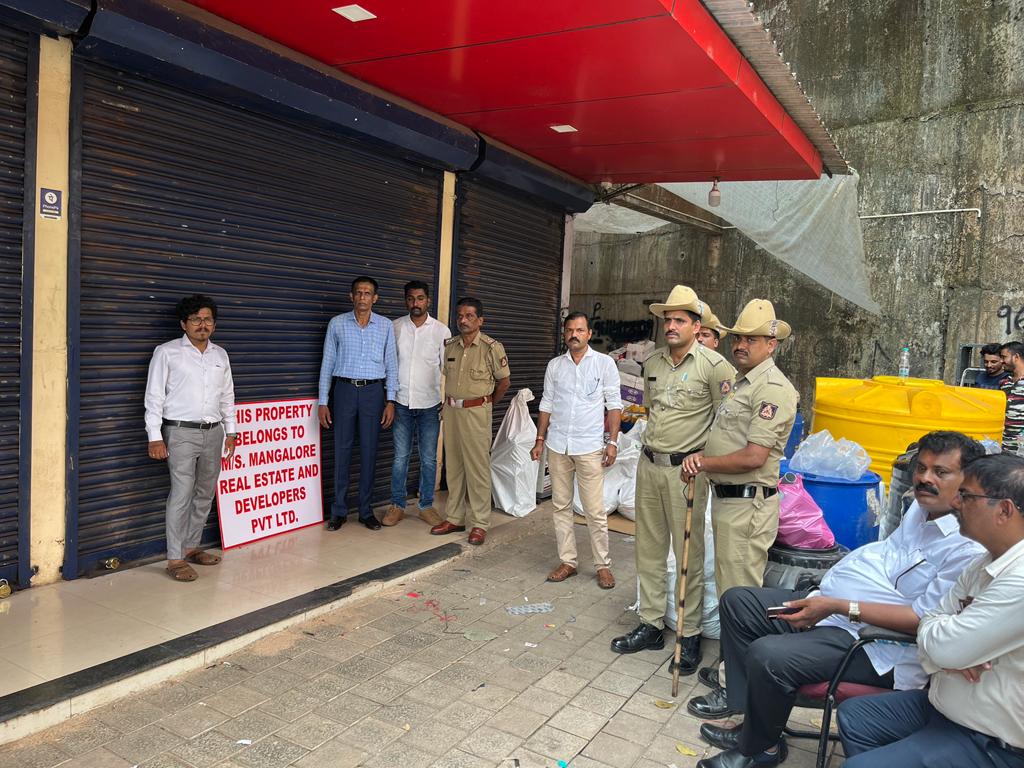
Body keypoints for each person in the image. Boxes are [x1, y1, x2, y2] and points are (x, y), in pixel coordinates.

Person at [689, 431, 987, 768]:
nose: (925, 478)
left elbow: (923, 620)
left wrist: (840, 605)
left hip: (880, 645)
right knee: (739, 603)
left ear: (968, 481)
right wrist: (835, 597)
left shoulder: (966, 546)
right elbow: (882, 564)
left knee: (768, 654)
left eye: (940, 472)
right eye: (921, 468)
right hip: (838, 612)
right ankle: (755, 726)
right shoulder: (920, 511)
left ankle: (760, 750)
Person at [836, 452, 1024, 768]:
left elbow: (945, 646)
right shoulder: (984, 562)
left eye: (967, 496)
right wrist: (950, 650)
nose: (956, 503)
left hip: (990, 741)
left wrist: (949, 649)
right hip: (946, 708)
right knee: (857, 716)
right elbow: (933, 620)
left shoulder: (1018, 580)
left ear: (1004, 510)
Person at [610, 286, 735, 675]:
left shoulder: (715, 367)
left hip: (687, 473)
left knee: (688, 555)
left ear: (697, 327)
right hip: (649, 465)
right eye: (667, 319)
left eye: (680, 320)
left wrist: (704, 457)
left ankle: (689, 631)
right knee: (648, 548)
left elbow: (727, 422)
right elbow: (652, 411)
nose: (671, 326)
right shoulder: (653, 363)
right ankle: (650, 623)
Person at [682, 299, 798, 597]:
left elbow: (754, 456)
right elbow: (730, 438)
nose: (740, 345)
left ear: (771, 345)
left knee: (739, 596)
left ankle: (740, 632)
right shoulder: (741, 382)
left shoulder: (771, 388)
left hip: (747, 507)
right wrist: (702, 457)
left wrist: (703, 463)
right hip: (730, 502)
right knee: (729, 591)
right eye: (737, 338)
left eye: (751, 340)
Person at [145, 294, 237, 582]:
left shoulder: (220, 355)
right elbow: (154, 397)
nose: (202, 324)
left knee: (205, 492)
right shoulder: (167, 352)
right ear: (183, 324)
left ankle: (191, 547)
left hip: (214, 432)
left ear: (214, 324)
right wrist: (154, 436)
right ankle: (174, 558)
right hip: (180, 432)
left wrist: (231, 431)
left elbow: (227, 396)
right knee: (182, 493)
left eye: (208, 319)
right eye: (196, 319)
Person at [531, 312, 623, 589]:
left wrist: (613, 442)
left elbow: (614, 405)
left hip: (589, 446)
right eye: (570, 330)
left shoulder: (604, 364)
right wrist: (539, 439)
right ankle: (568, 561)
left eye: (580, 330)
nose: (574, 334)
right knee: (561, 506)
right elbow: (546, 403)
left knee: (594, 510)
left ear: (589, 334)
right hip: (558, 444)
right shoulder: (555, 366)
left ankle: (603, 566)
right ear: (564, 334)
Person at [318, 276, 398, 532]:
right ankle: (338, 511)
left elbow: (392, 365)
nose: (363, 297)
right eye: (359, 292)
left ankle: (365, 511)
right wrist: (323, 401)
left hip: (373, 393)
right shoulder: (337, 323)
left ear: (375, 298)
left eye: (368, 293)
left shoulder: (385, 326)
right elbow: (327, 363)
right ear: (351, 296)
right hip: (343, 390)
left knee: (369, 451)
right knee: (341, 450)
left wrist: (390, 400)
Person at [430, 298, 510, 545]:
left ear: (480, 320)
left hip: (476, 413)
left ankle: (479, 523)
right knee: (454, 467)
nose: (463, 320)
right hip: (452, 411)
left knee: (477, 469)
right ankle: (455, 517)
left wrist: (486, 403)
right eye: (460, 316)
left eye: (469, 316)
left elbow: (504, 382)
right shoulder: (450, 346)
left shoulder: (491, 348)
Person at [383, 280, 451, 527]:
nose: (415, 303)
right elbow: (389, 366)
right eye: (411, 298)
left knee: (429, 458)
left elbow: (448, 369)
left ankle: (426, 506)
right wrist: (389, 400)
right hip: (401, 402)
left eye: (420, 298)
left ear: (428, 301)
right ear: (406, 301)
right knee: (400, 457)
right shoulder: (395, 327)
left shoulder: (441, 331)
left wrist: (447, 400)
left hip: (429, 404)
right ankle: (397, 505)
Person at [1000, 341, 1024, 455]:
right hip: (1004, 447)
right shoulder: (1004, 383)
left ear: (1016, 357)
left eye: (1004, 357)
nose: (1001, 361)